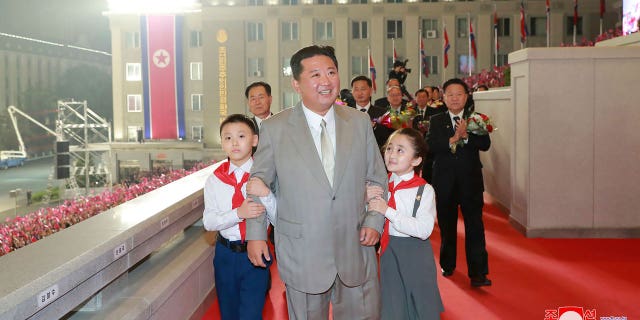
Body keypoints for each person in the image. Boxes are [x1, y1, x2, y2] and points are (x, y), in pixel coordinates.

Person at [246, 45, 388, 319]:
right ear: (296, 84)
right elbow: (258, 182)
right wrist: (255, 234)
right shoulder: (275, 128)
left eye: (331, 72)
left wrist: (374, 221)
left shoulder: (359, 122)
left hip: (355, 243)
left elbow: (376, 176)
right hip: (303, 249)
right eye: (315, 75)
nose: (326, 81)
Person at [202, 114, 277, 320]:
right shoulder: (215, 180)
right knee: (228, 312)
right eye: (227, 138)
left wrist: (266, 195)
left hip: (256, 254)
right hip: (225, 254)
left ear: (254, 140)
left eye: (241, 136)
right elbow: (209, 221)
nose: (234, 142)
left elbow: (280, 218)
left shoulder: (266, 175)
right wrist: (238, 214)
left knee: (251, 314)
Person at [367, 128, 444, 320]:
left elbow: (424, 230)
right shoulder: (381, 184)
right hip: (388, 251)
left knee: (418, 304)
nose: (392, 154)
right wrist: (363, 198)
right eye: (389, 148)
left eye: (400, 150)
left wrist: (387, 211)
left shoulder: (424, 190)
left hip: (415, 254)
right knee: (392, 303)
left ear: (416, 160)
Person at [426, 78, 492, 287]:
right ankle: (448, 264)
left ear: (466, 96)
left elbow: (485, 144)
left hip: (470, 180)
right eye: (450, 94)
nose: (454, 98)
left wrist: (467, 137)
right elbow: (430, 147)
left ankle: (478, 273)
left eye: (459, 94)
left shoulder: (476, 119)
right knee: (447, 225)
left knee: (475, 226)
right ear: (443, 98)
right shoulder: (436, 120)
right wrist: (453, 139)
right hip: (444, 181)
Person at [351, 75, 393, 148]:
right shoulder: (346, 113)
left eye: (363, 89)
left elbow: (389, 136)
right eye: (356, 89)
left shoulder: (384, 113)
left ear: (370, 91)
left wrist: (375, 126)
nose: (360, 93)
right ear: (352, 92)